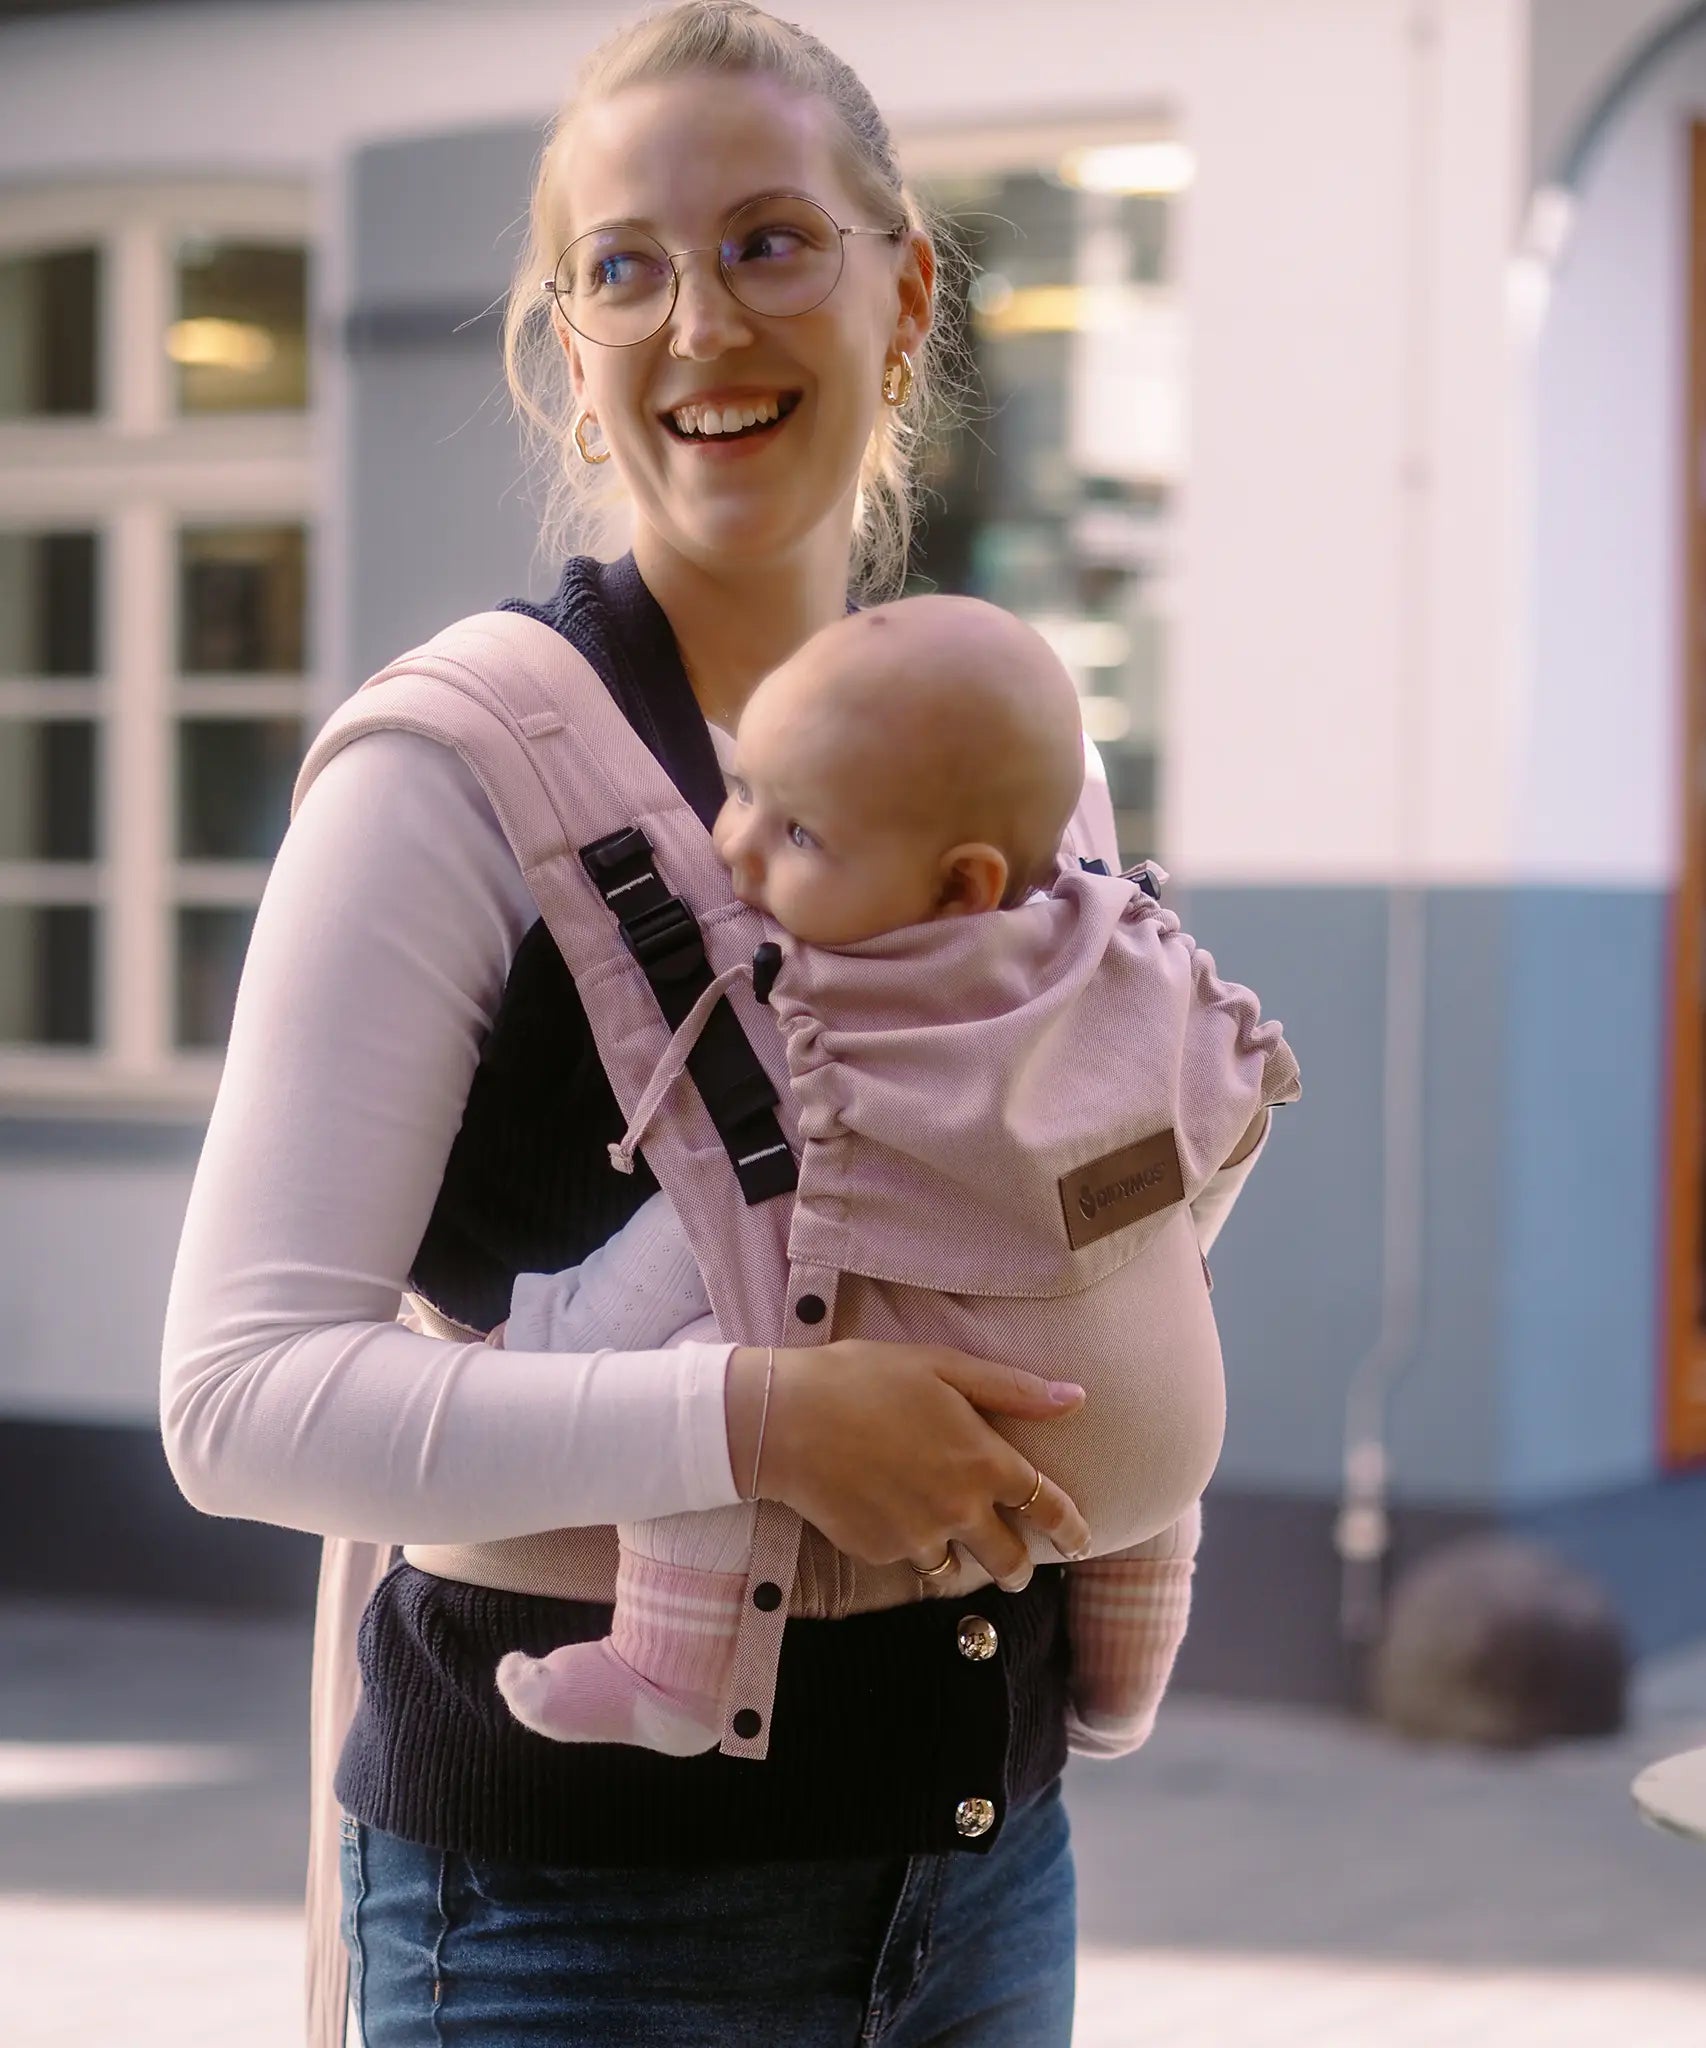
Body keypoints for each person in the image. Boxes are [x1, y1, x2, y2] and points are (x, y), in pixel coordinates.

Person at [160, 8, 1279, 2043]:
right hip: (574, 1924)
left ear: (903, 283)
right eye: (625, 267)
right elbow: (235, 1403)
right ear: (568, 348)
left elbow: (1077, 1203)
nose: (700, 322)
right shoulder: (450, 773)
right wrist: (757, 1420)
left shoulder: (1012, 757)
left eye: (769, 241)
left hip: (981, 1864)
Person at [490, 593, 1297, 1760]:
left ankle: (667, 1676)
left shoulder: (845, 1021)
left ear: (960, 883)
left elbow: (715, 1225)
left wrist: (539, 1347)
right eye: (745, 786)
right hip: (1158, 1446)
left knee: (697, 1372)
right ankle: (1120, 1688)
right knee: (1153, 1470)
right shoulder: (1120, 957)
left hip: (983, 1442)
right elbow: (1217, 1129)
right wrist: (1144, 1278)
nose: (735, 845)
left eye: (799, 835)